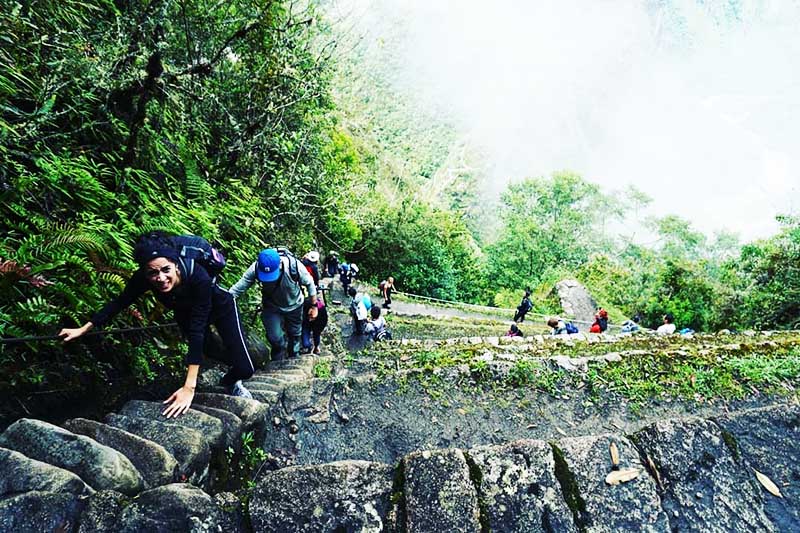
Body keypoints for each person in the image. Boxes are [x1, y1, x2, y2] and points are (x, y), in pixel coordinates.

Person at [58, 231, 255, 418]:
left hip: (220, 307)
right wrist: (84, 328)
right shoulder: (143, 279)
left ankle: (230, 381)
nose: (160, 278)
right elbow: (119, 302)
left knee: (245, 368)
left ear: (176, 265)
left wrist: (189, 387)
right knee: (210, 350)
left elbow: (198, 329)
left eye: (166, 270)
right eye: (152, 273)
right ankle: (229, 363)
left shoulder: (198, 276)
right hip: (185, 312)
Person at [230, 248, 317, 361]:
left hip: (295, 305)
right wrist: (223, 300)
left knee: (295, 333)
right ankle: (277, 358)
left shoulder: (294, 266)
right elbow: (239, 287)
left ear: (280, 264)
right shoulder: (256, 268)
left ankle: (294, 356)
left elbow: (310, 284)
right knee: (274, 337)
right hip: (272, 307)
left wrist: (314, 306)